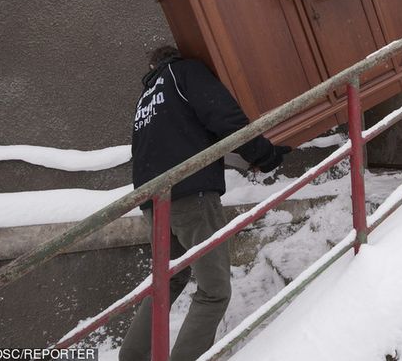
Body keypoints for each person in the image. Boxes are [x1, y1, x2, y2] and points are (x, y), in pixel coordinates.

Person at [120, 45, 290, 361]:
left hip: (154, 204)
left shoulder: (146, 99)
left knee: (166, 284)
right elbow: (225, 117)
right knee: (214, 291)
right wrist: (264, 155)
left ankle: (130, 357)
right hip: (191, 195)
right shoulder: (185, 73)